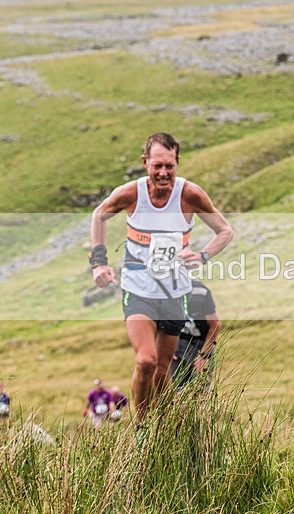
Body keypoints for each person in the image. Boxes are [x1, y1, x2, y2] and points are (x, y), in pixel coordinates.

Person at [89, 132, 233, 423]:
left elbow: (225, 231)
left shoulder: (190, 194)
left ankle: (162, 427)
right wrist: (98, 263)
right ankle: (142, 426)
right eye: (157, 165)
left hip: (174, 293)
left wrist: (202, 256)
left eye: (169, 165)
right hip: (138, 289)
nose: (163, 173)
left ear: (177, 163)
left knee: (162, 370)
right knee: (145, 360)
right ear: (145, 163)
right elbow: (99, 215)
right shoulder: (131, 193)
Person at [170, 280, 220, 391]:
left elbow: (215, 324)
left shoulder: (200, 291)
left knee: (201, 393)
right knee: (177, 393)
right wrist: (167, 347)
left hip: (201, 346)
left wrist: (204, 355)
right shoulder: (165, 292)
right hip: (177, 347)